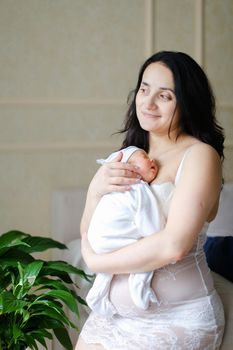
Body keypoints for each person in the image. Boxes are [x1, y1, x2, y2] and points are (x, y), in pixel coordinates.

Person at [75, 51, 225, 350]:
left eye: (165, 95)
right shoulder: (132, 153)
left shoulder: (199, 155)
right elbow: (91, 230)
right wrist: (95, 190)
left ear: (187, 102)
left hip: (177, 319)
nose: (148, 102)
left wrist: (95, 261)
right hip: (112, 318)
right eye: (144, 89)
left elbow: (174, 245)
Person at [86, 146, 165, 316]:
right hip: (109, 239)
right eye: (144, 157)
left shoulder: (114, 192)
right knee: (144, 251)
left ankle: (97, 293)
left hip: (98, 241)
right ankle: (139, 288)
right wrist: (156, 235)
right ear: (129, 169)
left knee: (109, 269)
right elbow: (151, 224)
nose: (152, 160)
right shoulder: (138, 188)